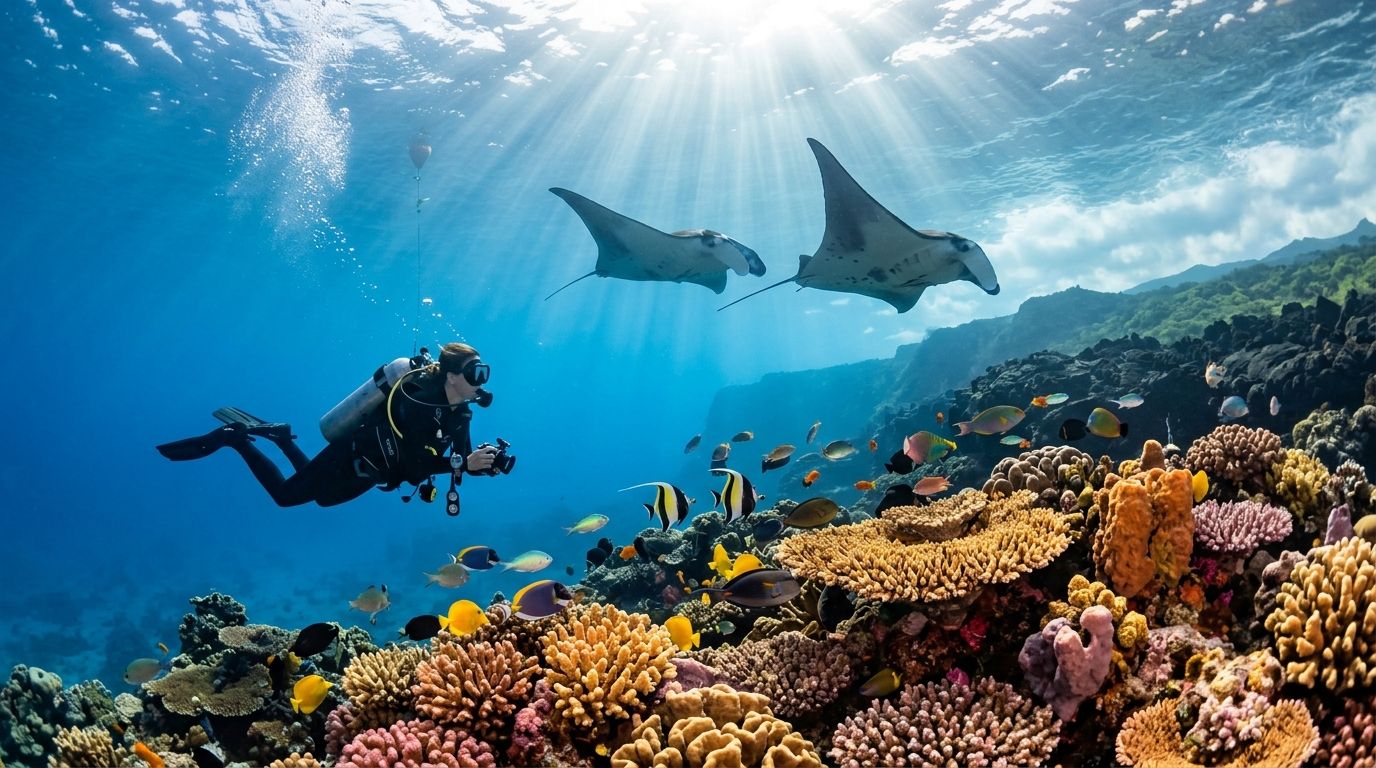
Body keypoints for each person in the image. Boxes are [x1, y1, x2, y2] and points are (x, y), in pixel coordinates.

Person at [157, 343, 503, 508]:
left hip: (374, 472)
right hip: (352, 454)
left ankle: (282, 439)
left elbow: (459, 459)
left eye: (483, 372)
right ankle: (236, 441)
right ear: (452, 376)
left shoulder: (462, 415)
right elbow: (417, 463)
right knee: (286, 497)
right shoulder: (417, 400)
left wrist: (483, 463)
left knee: (322, 498)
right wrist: (461, 464)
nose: (481, 380)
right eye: (475, 372)